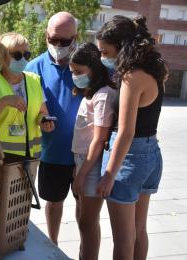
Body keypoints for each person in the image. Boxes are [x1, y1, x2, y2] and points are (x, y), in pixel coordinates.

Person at [95, 15, 168, 260]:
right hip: (150, 154)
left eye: (105, 52)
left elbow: (126, 132)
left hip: (129, 158)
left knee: (123, 239)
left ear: (121, 47)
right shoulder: (152, 70)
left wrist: (108, 175)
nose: (103, 58)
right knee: (138, 232)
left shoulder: (130, 77)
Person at [25, 11, 82, 244]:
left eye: (65, 41)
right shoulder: (33, 67)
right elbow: (29, 108)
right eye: (53, 39)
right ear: (46, 35)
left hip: (84, 154)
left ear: (76, 38)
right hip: (51, 152)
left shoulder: (87, 65)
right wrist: (40, 121)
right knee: (54, 202)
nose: (58, 45)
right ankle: (53, 244)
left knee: (85, 206)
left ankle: (85, 247)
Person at [70, 43, 117, 260]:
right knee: (83, 220)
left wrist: (81, 174)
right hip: (81, 161)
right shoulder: (91, 92)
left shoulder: (103, 94)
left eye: (79, 72)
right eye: (72, 72)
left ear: (93, 68)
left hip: (91, 164)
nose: (75, 76)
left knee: (88, 223)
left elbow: (99, 140)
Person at [0, 32, 54, 157]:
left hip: (30, 159)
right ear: (2, 56)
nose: (22, 59)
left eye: (26, 55)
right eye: (17, 55)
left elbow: (43, 112)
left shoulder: (34, 80)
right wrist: (4, 101)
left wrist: (44, 121)